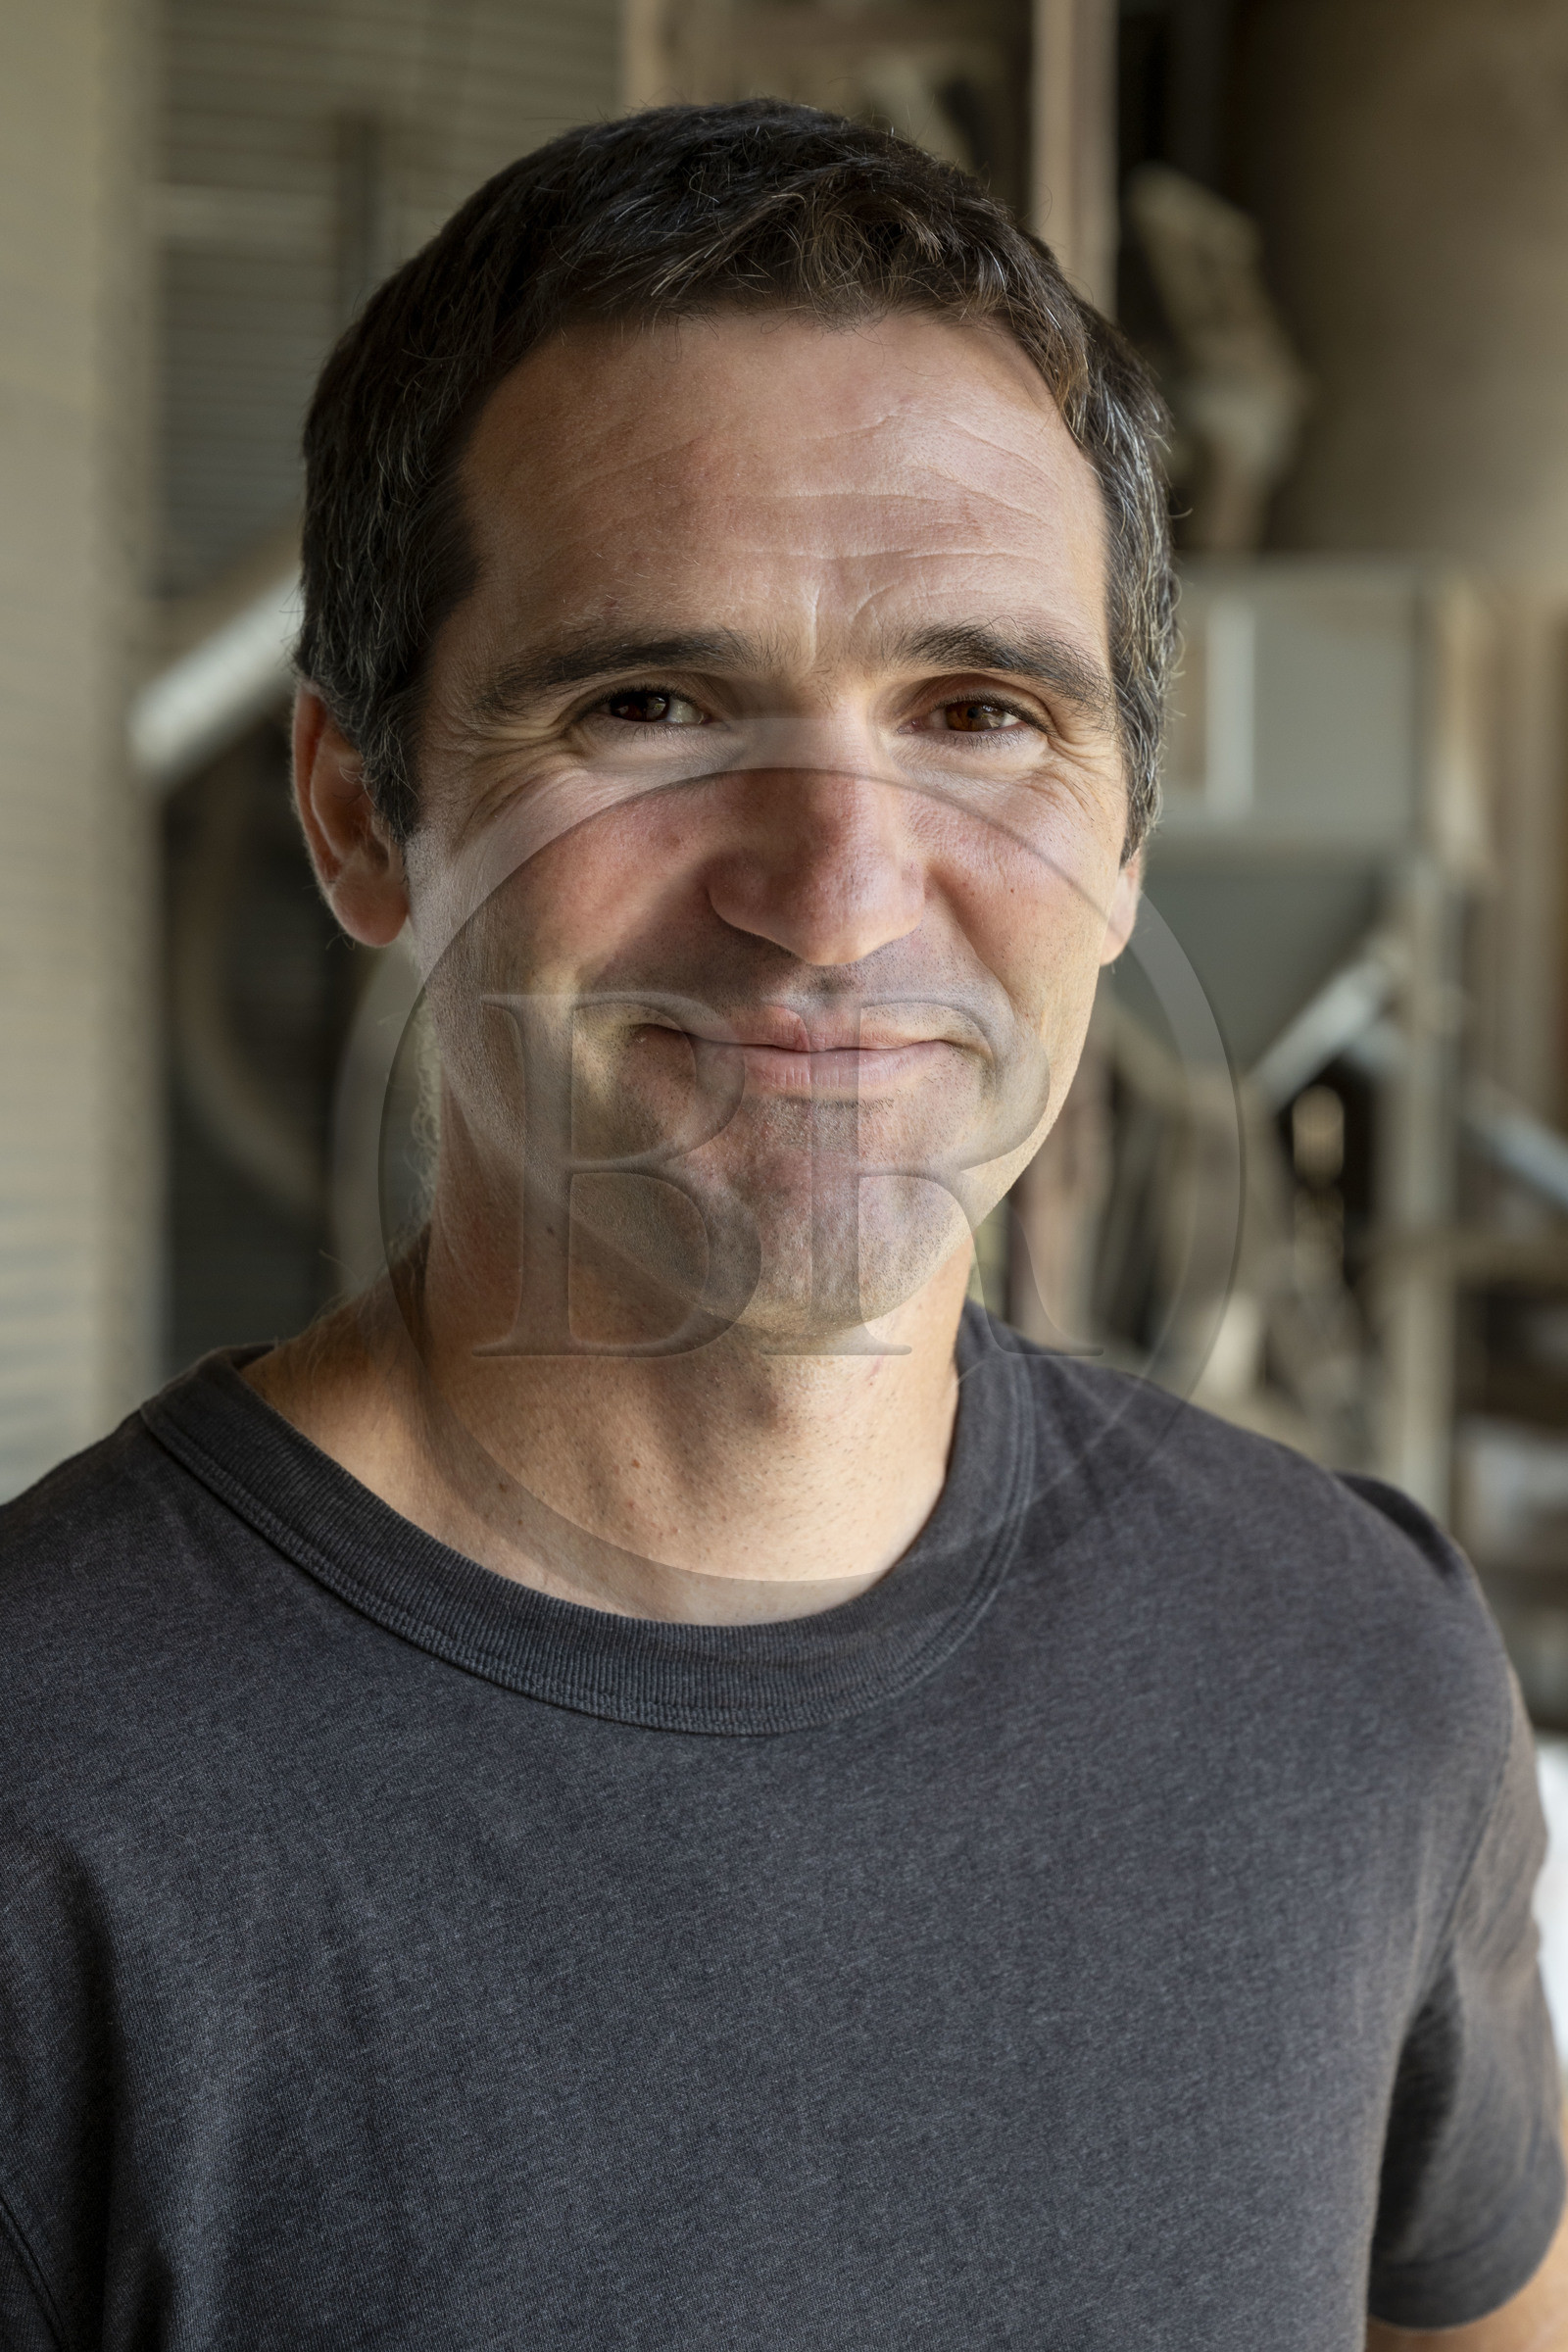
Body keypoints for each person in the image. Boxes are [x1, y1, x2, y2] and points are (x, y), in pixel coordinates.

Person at [0, 102, 1561, 2352]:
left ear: (1122, 843)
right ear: (361, 816)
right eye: (648, 706)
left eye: (977, 712)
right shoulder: (50, 1805)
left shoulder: (1353, 1670)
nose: (835, 895)